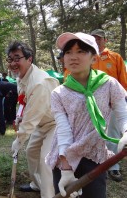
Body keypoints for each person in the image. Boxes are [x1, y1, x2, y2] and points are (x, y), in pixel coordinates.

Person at [45, 32, 127, 198]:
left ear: (94, 58)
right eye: (68, 52)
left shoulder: (109, 84)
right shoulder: (59, 93)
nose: (73, 57)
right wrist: (66, 168)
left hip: (93, 154)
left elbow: (123, 114)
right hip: (64, 156)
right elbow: (63, 130)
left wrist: (126, 132)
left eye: (81, 51)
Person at [7, 41, 59, 198]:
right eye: (10, 59)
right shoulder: (21, 78)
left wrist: (19, 140)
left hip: (55, 124)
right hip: (41, 124)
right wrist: (19, 117)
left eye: (17, 58)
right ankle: (37, 184)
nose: (13, 63)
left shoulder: (39, 82)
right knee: (31, 152)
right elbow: (26, 103)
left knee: (45, 159)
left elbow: (31, 119)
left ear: (29, 59)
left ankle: (48, 194)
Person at [91, 29, 127, 182]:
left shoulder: (115, 57)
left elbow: (123, 81)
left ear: (105, 40)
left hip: (112, 103)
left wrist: (122, 100)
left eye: (99, 38)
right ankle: (96, 164)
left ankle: (113, 167)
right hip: (92, 103)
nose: (97, 41)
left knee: (112, 134)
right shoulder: (88, 57)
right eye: (94, 39)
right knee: (94, 133)